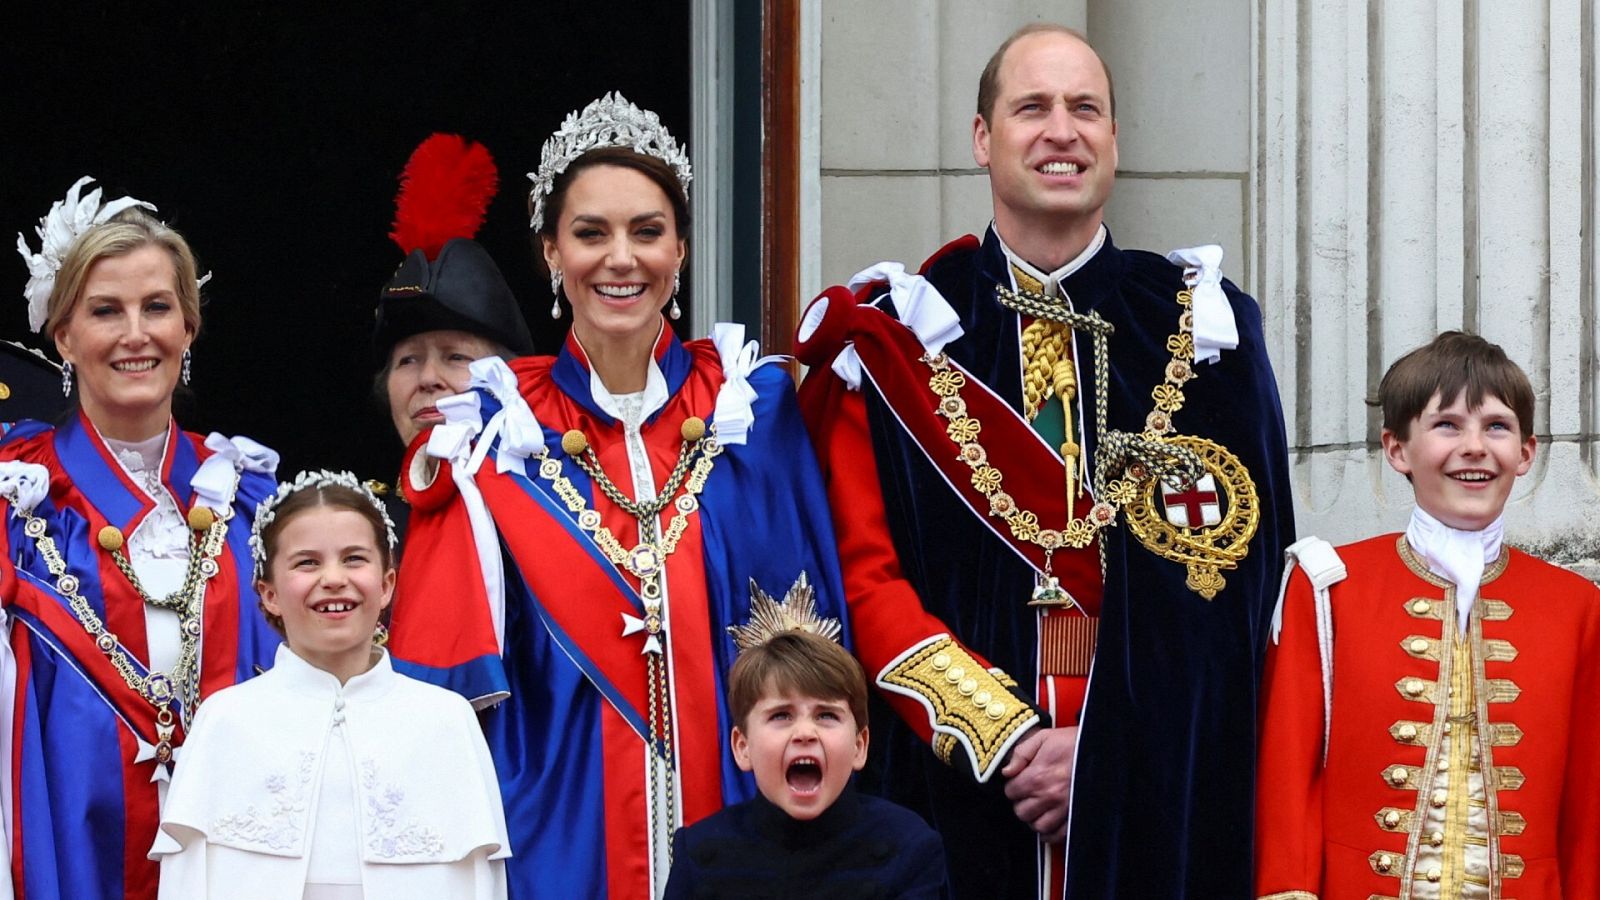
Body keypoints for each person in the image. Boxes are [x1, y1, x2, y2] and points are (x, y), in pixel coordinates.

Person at [794, 24, 1294, 899]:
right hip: (950, 793)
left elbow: (1243, 592)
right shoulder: (899, 335)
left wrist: (1106, 747)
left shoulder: (1208, 330)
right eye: (1033, 108)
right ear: (983, 139)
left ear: (1113, 140)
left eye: (1085, 109)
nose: (1062, 131)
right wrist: (1009, 740)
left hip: (1157, 792)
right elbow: (863, 581)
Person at [387, 92, 852, 900]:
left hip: (743, 826)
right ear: (551, 255)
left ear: (679, 250)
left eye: (646, 231)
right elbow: (442, 701)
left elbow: (812, 652)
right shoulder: (493, 434)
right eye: (591, 233)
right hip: (554, 840)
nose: (620, 258)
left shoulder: (752, 409)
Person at [0, 178, 281, 900]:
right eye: (105, 311)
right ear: (62, 335)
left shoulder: (249, 501)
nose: (136, 333)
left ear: (188, 328)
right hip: (69, 853)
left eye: (157, 307)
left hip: (245, 853)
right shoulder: (15, 499)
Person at [1255, 332, 1600, 899]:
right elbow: (1286, 777)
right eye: (1447, 425)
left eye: (1497, 426)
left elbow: (1587, 810)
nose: (1475, 446)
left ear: (1526, 452)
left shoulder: (1578, 606)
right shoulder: (1326, 585)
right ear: (1397, 449)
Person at [151, 470, 510, 899]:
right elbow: (187, 882)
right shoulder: (225, 720)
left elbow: (479, 885)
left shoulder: (446, 719)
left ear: (386, 584)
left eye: (354, 558)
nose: (334, 578)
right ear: (268, 594)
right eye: (307, 562)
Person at [664, 619, 947, 900]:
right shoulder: (699, 855)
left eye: (826, 715)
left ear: (859, 746)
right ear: (743, 746)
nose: (805, 733)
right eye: (781, 715)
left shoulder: (909, 847)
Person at [371, 133, 536, 539]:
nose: (428, 377)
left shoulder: (549, 516)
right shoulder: (361, 535)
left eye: (456, 357)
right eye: (408, 360)